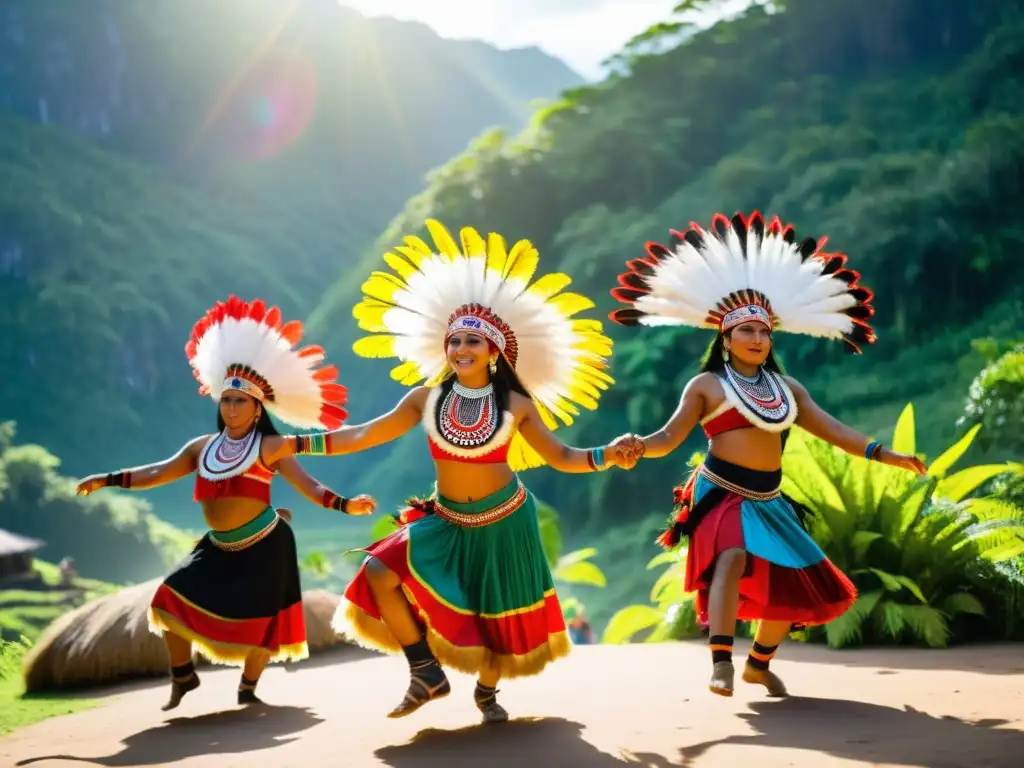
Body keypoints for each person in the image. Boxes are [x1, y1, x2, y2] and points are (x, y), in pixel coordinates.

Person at [289, 220, 634, 723]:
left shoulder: (516, 403)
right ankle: (425, 670)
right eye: (455, 341)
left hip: (506, 523)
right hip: (446, 521)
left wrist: (608, 453)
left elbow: (561, 456)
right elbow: (362, 435)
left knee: (498, 626)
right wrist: (295, 443)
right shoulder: (425, 400)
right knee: (379, 572)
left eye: (474, 341)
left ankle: (488, 694)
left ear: (494, 352)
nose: (462, 349)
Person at [608, 211, 926, 698]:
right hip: (721, 492)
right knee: (731, 557)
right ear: (726, 338)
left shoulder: (788, 389)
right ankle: (721, 663)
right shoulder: (707, 385)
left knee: (788, 583)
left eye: (764, 333)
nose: (757, 340)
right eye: (746, 332)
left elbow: (833, 430)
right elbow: (668, 438)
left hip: (770, 497)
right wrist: (636, 447)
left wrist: (886, 455)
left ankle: (758, 663)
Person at [76, 296, 377, 711]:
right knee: (167, 598)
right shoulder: (202, 448)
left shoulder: (272, 446)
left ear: (257, 410)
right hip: (218, 546)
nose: (231, 407)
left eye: (241, 402)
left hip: (267, 544)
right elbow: (155, 473)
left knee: (264, 623)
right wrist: (107, 480)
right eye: (227, 400)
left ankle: (248, 687)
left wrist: (348, 505)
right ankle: (183, 675)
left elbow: (310, 485)